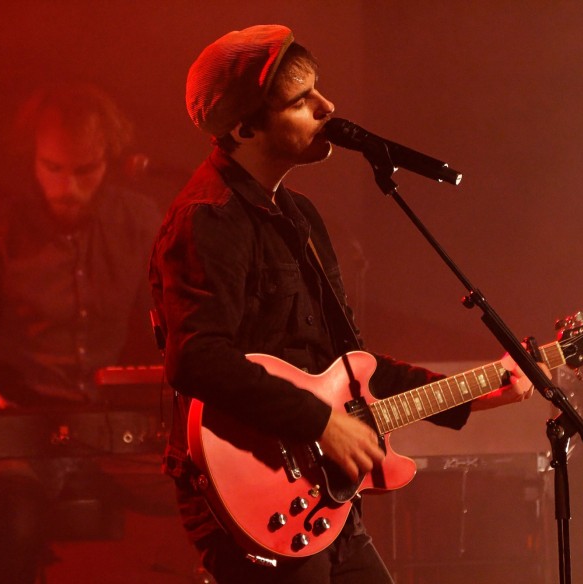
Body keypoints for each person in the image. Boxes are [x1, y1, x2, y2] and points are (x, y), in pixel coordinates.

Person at [149, 25, 538, 584]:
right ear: (244, 128)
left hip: (321, 494)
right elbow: (196, 358)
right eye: (300, 99)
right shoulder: (208, 220)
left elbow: (354, 369)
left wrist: (484, 389)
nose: (326, 106)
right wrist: (320, 423)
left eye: (319, 89)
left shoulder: (301, 217)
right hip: (249, 494)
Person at [0, 82, 163, 583]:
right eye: (52, 168)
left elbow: (175, 325)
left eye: (85, 171)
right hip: (12, 432)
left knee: (220, 497)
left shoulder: (141, 223)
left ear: (109, 158)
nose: (67, 187)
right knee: (18, 518)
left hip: (106, 431)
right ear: (31, 157)